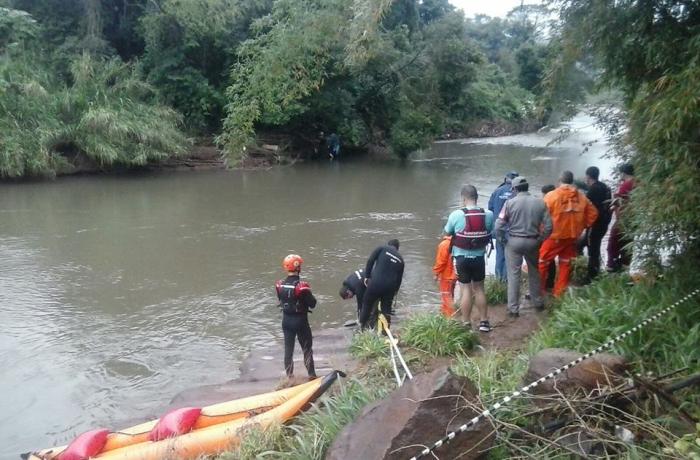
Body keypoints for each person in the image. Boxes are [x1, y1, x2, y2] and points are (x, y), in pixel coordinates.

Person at [495, 177, 552, 316]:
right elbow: (550, 226)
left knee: (514, 275)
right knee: (534, 271)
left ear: (514, 189)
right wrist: (540, 239)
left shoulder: (509, 203)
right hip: (533, 241)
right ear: (528, 187)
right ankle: (537, 302)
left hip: (514, 242)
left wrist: (503, 240)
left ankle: (513, 309)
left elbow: (498, 226)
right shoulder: (540, 202)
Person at [539, 171, 598, 297]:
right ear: (572, 181)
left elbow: (540, 215)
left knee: (542, 262)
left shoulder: (551, 196)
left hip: (553, 236)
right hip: (572, 238)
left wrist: (540, 231)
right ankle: (559, 293)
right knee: (565, 264)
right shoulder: (581, 197)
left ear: (559, 181)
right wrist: (582, 226)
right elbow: (593, 214)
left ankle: (539, 290)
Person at [444, 184, 494, 332]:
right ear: (477, 198)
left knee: (465, 289)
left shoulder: (456, 215)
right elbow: (490, 230)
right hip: (479, 257)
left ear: (463, 198)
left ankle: (466, 322)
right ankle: (484, 322)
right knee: (479, 288)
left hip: (461, 258)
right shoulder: (488, 214)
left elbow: (446, 232)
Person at [275, 254, 317, 379]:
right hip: (300, 322)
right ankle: (312, 375)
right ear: (298, 267)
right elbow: (313, 304)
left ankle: (290, 377)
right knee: (307, 349)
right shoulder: (302, 287)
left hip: (286, 321)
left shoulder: (280, 285)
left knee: (288, 350)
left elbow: (281, 299)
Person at [359, 239, 404, 330]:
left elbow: (370, 261)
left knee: (367, 303)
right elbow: (399, 280)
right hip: (390, 288)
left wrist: (367, 276)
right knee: (386, 309)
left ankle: (362, 326)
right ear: (397, 248)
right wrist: (395, 292)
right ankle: (385, 332)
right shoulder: (401, 260)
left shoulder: (382, 248)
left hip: (376, 283)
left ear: (388, 244)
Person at [488, 171, 519, 281]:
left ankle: (498, 280)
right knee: (510, 257)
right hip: (513, 230)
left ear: (506, 178)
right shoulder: (517, 192)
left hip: (499, 228)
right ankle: (507, 280)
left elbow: (490, 208)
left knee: (499, 255)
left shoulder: (497, 191)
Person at [583, 166, 612, 280]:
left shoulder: (593, 190)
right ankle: (593, 270)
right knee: (585, 244)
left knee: (593, 250)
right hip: (604, 223)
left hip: (595, 224)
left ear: (588, 176)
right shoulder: (605, 187)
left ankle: (592, 276)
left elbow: (585, 206)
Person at [607, 163, 635, 272]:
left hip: (624, 219)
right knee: (627, 243)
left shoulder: (626, 185)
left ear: (623, 173)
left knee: (613, 242)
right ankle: (625, 265)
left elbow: (617, 201)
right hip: (633, 219)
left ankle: (611, 265)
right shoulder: (638, 183)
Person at [432, 235, 457, 317]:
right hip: (456, 274)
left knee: (446, 295)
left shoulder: (444, 244)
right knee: (450, 295)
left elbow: (441, 262)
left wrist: (436, 273)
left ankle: (449, 317)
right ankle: (445, 312)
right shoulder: (458, 242)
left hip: (447, 275)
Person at [541, 184, 557, 291]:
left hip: (548, 235)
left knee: (542, 260)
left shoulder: (547, 202)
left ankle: (541, 287)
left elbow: (542, 221)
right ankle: (550, 283)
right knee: (551, 260)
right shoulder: (557, 201)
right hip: (556, 234)